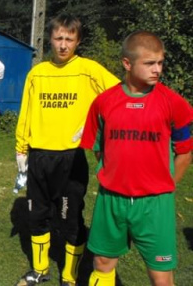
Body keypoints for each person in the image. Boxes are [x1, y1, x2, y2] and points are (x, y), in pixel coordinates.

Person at [80, 31, 192, 286]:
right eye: (149, 63)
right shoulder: (104, 102)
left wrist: (166, 186)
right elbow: (99, 148)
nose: (157, 70)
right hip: (112, 199)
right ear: (127, 64)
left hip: (155, 205)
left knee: (161, 276)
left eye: (160, 63)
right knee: (102, 264)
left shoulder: (175, 104)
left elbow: (184, 152)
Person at [14, 14, 120, 286]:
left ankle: (69, 276)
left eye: (69, 39)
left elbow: (118, 95)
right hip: (38, 156)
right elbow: (26, 111)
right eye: (58, 38)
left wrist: (95, 128)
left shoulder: (89, 69)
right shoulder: (37, 72)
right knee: (37, 215)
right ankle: (40, 269)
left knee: (70, 219)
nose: (63, 45)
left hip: (70, 159)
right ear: (50, 39)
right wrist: (21, 148)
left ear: (78, 41)